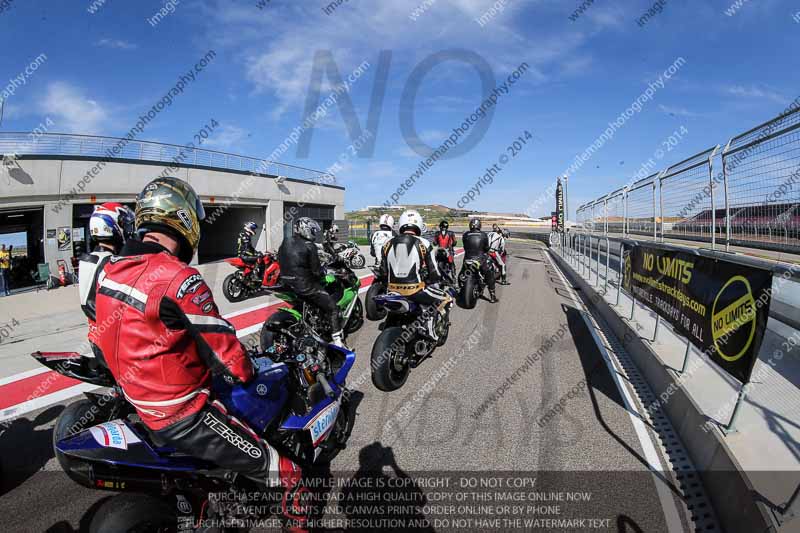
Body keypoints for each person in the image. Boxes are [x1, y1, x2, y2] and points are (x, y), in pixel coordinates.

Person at [94, 177, 308, 530]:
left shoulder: (109, 271)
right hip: (183, 413)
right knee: (291, 474)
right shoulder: (179, 277)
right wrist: (250, 370)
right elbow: (225, 349)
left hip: (137, 400)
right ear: (184, 220)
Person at [379, 209, 452, 340]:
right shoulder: (423, 243)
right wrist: (432, 280)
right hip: (415, 291)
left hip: (392, 291)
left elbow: (383, 272)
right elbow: (434, 273)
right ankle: (431, 331)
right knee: (447, 298)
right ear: (419, 224)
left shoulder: (387, 243)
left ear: (401, 224)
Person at [79, 203, 134, 364]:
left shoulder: (91, 259)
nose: (128, 229)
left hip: (99, 339)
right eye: (124, 223)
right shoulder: (111, 263)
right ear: (111, 226)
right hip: (115, 343)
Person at [278, 217, 346, 348]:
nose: (314, 234)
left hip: (285, 282)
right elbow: (316, 272)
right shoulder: (310, 246)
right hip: (304, 285)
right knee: (332, 308)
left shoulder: (285, 241)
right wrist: (327, 272)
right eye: (312, 231)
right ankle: (338, 342)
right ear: (305, 229)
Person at [461, 218, 498, 303]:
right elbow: (486, 248)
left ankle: (461, 287)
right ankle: (492, 296)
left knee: (462, 273)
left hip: (467, 260)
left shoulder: (465, 234)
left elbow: (465, 247)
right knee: (489, 274)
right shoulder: (483, 235)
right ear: (479, 226)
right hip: (480, 260)